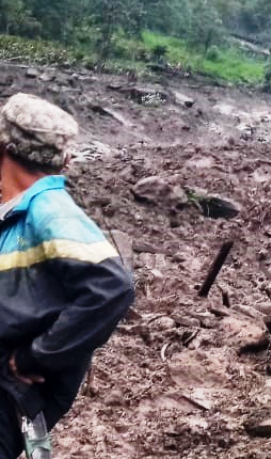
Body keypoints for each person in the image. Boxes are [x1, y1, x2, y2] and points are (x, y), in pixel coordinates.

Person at [0, 93, 135, 457]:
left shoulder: (50, 209)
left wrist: (37, 357)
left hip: (9, 394)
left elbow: (113, 288)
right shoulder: (20, 212)